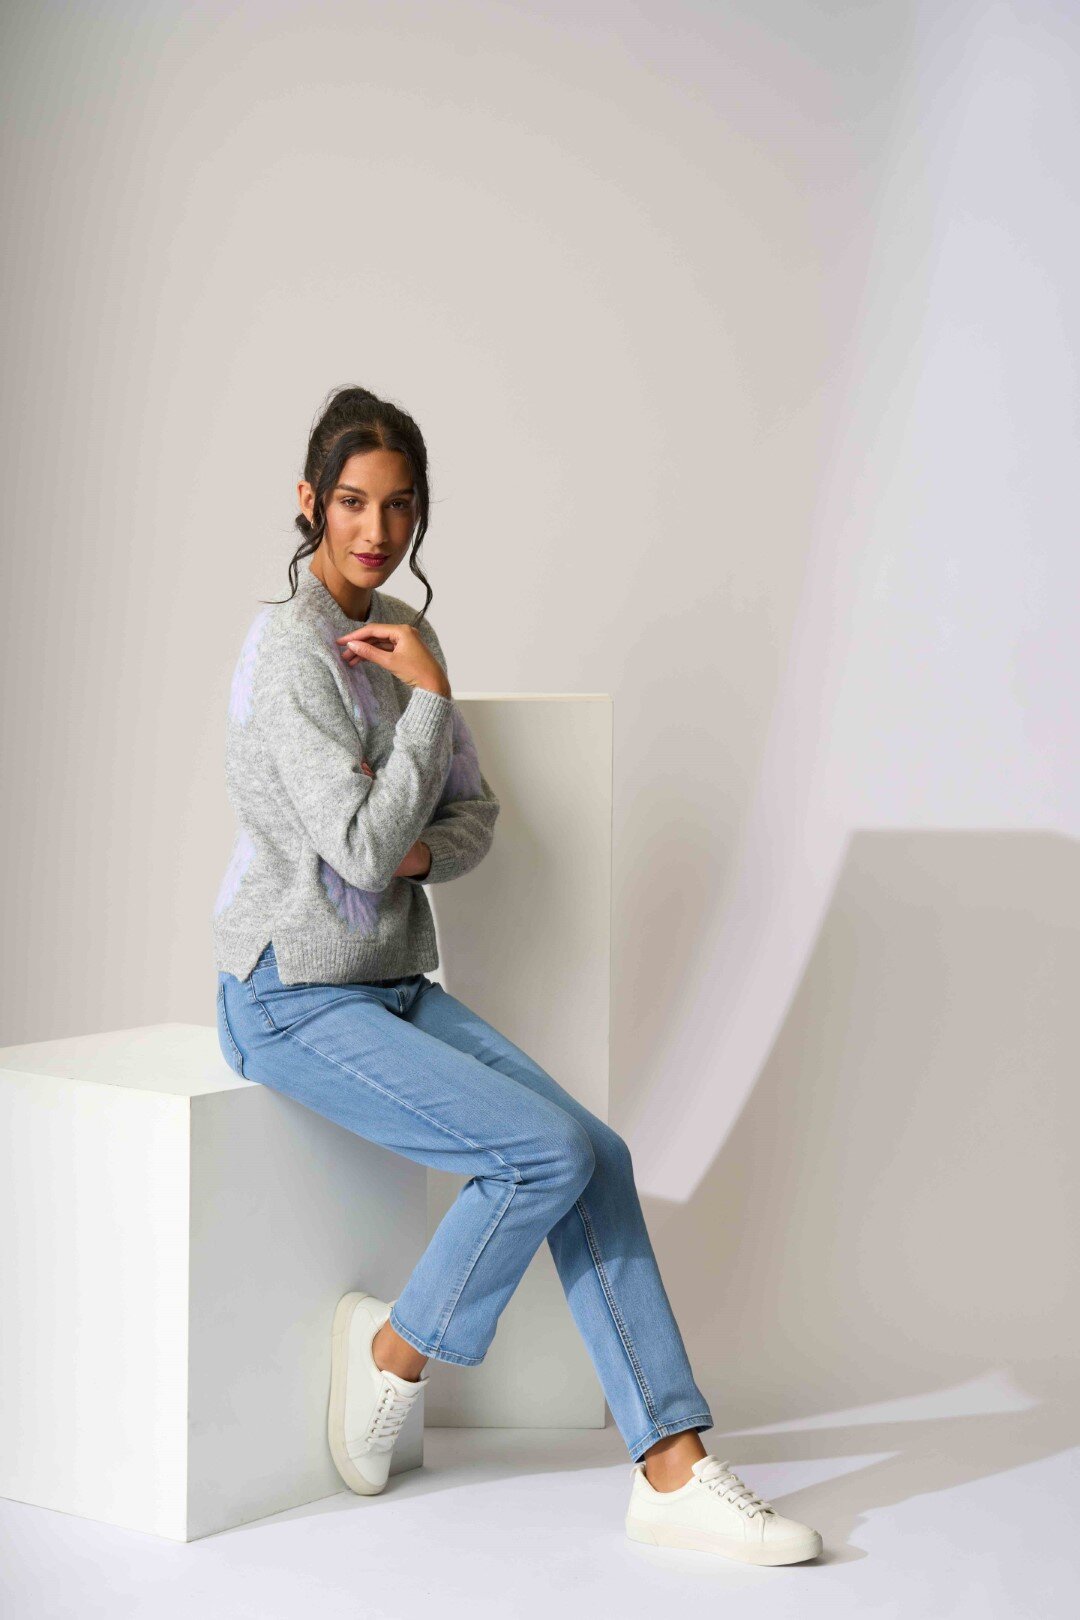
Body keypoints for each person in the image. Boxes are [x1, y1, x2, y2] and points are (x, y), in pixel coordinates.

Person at [212, 384, 823, 1566]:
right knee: (541, 1152)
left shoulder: (404, 640)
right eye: (352, 502)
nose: (376, 529)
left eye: (399, 505)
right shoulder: (287, 651)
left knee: (598, 1153)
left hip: (389, 982)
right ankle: (391, 1356)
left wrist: (418, 816)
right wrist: (427, 715)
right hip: (287, 994)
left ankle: (671, 1468)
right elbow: (359, 849)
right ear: (309, 502)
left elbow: (472, 817)